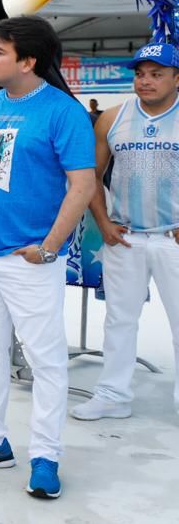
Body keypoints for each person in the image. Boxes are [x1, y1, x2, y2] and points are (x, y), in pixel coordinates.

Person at [0, 17, 96, 500]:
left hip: (31, 259)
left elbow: (83, 186)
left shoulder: (62, 112)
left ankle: (46, 455)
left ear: (28, 61)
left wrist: (50, 246)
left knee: (46, 361)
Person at [70, 43, 179, 421]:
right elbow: (92, 177)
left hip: (172, 239)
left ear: (176, 78)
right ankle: (113, 395)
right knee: (119, 320)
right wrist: (103, 223)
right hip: (126, 236)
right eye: (139, 73)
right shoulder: (112, 118)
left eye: (156, 74)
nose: (145, 81)